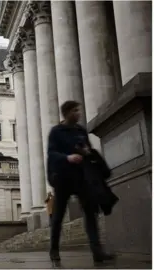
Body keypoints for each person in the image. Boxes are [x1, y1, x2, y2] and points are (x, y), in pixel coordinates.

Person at [47, 100, 115, 265]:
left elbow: (88, 149)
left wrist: (86, 152)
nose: (79, 113)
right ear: (67, 113)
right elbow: (52, 154)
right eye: (76, 110)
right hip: (63, 179)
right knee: (58, 216)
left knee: (90, 213)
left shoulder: (80, 130)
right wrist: (68, 157)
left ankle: (97, 251)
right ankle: (54, 249)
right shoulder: (56, 132)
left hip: (82, 178)